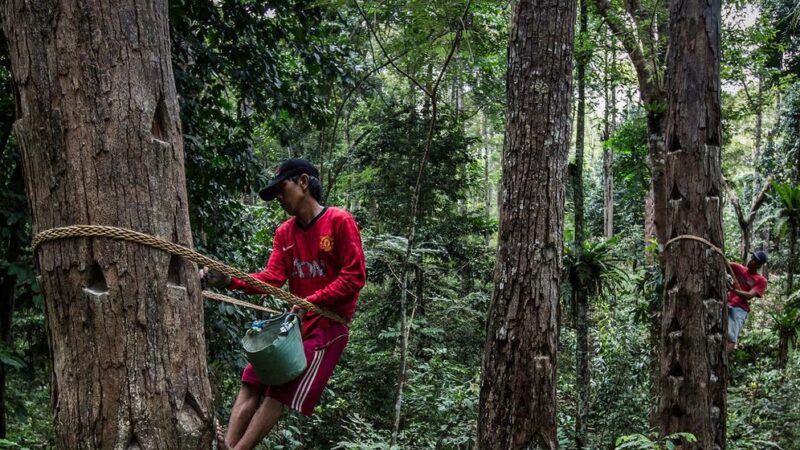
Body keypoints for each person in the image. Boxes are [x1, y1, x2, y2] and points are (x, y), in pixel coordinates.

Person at [201, 158, 366, 450]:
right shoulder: (284, 233)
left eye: (282, 188)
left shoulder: (339, 221)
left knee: (280, 387)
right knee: (252, 379)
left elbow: (354, 278)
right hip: (295, 324)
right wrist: (228, 280)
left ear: (303, 182)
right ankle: (225, 445)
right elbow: (271, 278)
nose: (278, 197)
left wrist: (310, 301)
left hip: (329, 327)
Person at [726, 250, 768, 353]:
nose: (751, 261)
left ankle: (719, 362)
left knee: (731, 338)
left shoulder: (761, 280)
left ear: (759, 265)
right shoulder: (738, 268)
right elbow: (723, 262)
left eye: (755, 260)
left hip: (740, 309)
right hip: (726, 303)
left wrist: (732, 290)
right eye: (752, 258)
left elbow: (749, 295)